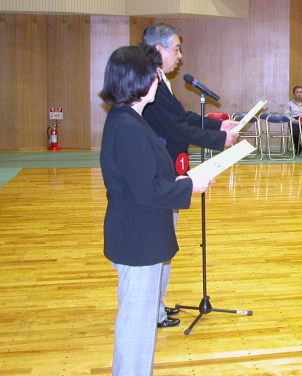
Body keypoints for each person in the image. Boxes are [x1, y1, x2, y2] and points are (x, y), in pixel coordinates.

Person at [100, 45, 214, 376]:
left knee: (138, 322)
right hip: (138, 238)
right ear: (139, 80)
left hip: (138, 234)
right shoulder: (128, 126)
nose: (159, 81)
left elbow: (143, 177)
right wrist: (189, 185)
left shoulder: (128, 119)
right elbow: (147, 192)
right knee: (136, 327)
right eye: (155, 75)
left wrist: (178, 179)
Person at [142, 23, 239, 328]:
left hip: (170, 169)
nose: (180, 56)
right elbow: (175, 129)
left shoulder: (161, 80)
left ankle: (157, 305)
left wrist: (217, 125)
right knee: (159, 243)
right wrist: (219, 139)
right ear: (158, 49)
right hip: (161, 172)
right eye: (176, 49)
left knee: (165, 241)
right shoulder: (149, 82)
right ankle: (153, 310)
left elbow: (180, 118)